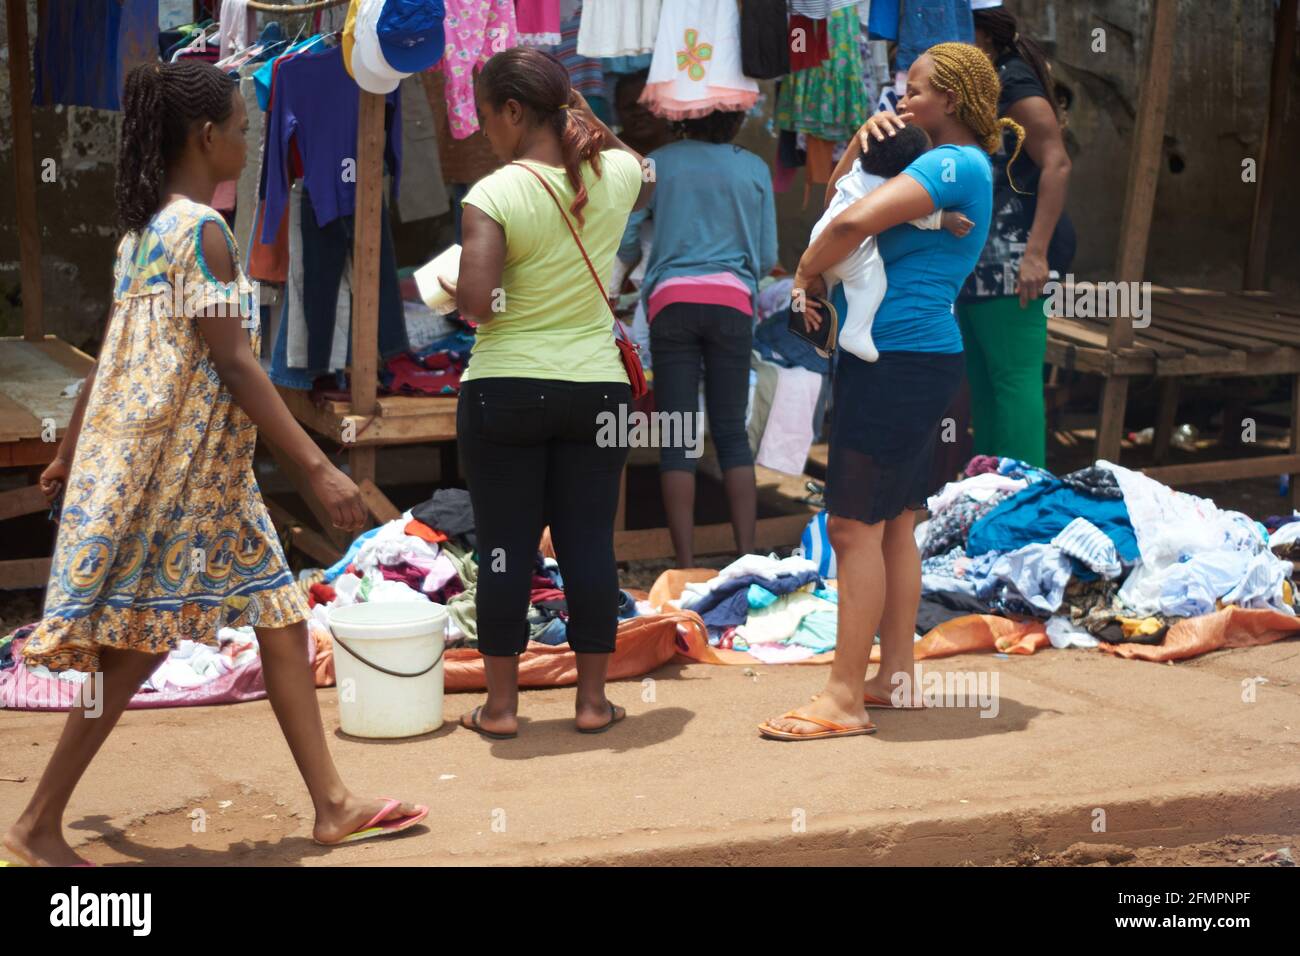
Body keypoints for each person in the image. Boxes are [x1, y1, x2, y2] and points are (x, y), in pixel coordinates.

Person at [3, 61, 426, 866]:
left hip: (205, 478)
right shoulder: (203, 232)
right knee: (139, 646)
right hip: (184, 479)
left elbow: (110, 353)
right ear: (206, 137)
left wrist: (68, 447)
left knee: (276, 612)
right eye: (240, 124)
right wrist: (316, 468)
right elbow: (234, 363)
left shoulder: (144, 231)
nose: (248, 136)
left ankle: (332, 804)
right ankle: (34, 825)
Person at [759, 43, 1018, 741]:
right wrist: (852, 147)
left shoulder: (950, 162)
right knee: (896, 521)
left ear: (954, 102)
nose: (904, 102)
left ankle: (844, 699)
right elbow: (844, 198)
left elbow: (848, 226)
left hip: (897, 360)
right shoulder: (944, 163)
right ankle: (895, 677)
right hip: (917, 359)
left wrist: (805, 279)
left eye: (917, 91)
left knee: (850, 526)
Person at [441, 48, 653, 739]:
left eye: (484, 116)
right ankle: (592, 703)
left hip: (505, 388)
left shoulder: (494, 194)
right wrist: (591, 123)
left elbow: (478, 303)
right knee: (588, 542)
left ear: (512, 110)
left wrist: (454, 283)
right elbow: (646, 177)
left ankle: (501, 710)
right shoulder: (616, 174)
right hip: (596, 390)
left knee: (505, 546)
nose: (481, 133)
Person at [615, 109, 777, 568]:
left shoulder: (656, 162)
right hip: (732, 304)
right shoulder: (755, 167)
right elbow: (765, 258)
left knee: (679, 436)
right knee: (731, 433)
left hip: (671, 304)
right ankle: (746, 557)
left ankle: (684, 565)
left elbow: (628, 237)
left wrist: (627, 268)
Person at [958, 4, 1075, 467]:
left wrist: (1036, 255)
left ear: (982, 33)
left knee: (1013, 381)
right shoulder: (982, 84)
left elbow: (1057, 163)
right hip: (976, 261)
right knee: (984, 385)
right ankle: (990, 495)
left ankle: (1025, 496)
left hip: (1014, 261)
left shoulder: (1014, 83)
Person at [809, 124, 974, 362]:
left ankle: (821, 337)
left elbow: (832, 195)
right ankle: (855, 333)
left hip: (819, 240)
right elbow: (911, 213)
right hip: (848, 250)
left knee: (825, 292)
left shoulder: (856, 171)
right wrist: (943, 219)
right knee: (870, 285)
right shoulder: (885, 189)